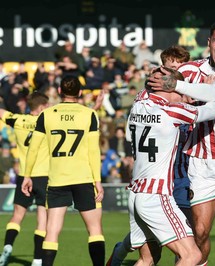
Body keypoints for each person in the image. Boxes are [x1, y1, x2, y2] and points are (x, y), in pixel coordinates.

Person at [147, 21, 215, 265]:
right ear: (208, 42)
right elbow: (164, 82)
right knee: (201, 231)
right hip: (201, 160)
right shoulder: (192, 69)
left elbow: (213, 93)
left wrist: (175, 85)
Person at [125, 67, 215, 265]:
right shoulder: (171, 110)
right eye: (180, 90)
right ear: (170, 88)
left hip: (135, 193)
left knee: (146, 259)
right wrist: (210, 91)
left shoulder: (138, 105)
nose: (183, 96)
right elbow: (213, 111)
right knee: (192, 255)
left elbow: (128, 134)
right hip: (156, 194)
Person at [106, 45, 192, 266]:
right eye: (172, 67)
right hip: (155, 175)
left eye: (181, 66)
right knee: (165, 248)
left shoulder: (189, 88)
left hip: (181, 174)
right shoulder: (146, 95)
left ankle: (124, 248)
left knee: (183, 239)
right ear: (162, 68)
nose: (176, 72)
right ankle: (123, 247)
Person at [21, 76, 105, 266]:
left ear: (59, 92)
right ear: (80, 93)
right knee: (95, 230)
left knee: (51, 231)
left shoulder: (46, 114)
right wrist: (97, 181)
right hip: (83, 178)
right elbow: (94, 150)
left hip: (57, 180)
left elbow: (33, 148)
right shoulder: (89, 114)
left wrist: (27, 175)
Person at [0, 92, 49, 266]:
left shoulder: (18, 120)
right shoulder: (47, 122)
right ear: (42, 107)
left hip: (23, 175)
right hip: (43, 176)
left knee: (17, 216)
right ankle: (37, 259)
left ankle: (7, 246)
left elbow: (2, 113)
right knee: (42, 218)